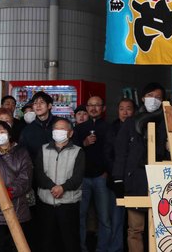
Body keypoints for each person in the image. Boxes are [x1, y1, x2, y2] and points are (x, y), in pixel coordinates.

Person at [112, 82, 168, 252]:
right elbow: (121, 152)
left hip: (160, 179)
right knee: (135, 229)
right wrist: (119, 178)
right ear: (143, 98)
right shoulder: (130, 123)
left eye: (158, 97)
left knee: (162, 228)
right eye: (150, 96)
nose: (154, 100)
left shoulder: (168, 121)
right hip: (135, 179)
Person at [0, 121, 33, 252]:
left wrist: (11, 191)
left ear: (9, 134)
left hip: (18, 206)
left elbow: (26, 176)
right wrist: (0, 193)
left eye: (2, 132)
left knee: (17, 245)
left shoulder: (22, 152)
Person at [35, 119, 85, 252]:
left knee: (70, 241)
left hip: (68, 203)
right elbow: (39, 173)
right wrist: (53, 186)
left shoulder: (78, 151)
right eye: (56, 129)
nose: (58, 132)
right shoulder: (43, 149)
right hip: (46, 202)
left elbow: (78, 177)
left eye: (62, 129)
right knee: (46, 241)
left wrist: (63, 187)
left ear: (70, 133)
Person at [73, 96, 111, 252]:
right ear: (86, 108)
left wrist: (107, 172)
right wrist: (84, 143)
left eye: (97, 105)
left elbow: (114, 153)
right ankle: (82, 248)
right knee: (80, 216)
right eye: (90, 105)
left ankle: (103, 249)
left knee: (104, 218)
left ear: (103, 108)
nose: (94, 108)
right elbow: (71, 152)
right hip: (82, 178)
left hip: (102, 177)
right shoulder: (79, 129)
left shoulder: (109, 127)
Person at [104, 97, 135, 252]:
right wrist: (117, 173)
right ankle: (116, 248)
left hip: (135, 180)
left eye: (128, 108)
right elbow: (108, 154)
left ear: (134, 111)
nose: (125, 112)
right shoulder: (113, 128)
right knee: (116, 218)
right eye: (121, 108)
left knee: (136, 220)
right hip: (116, 180)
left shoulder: (139, 126)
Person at [19, 91, 63, 162]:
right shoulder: (27, 130)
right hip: (37, 170)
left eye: (42, 102)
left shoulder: (61, 124)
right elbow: (23, 154)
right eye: (35, 103)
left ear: (49, 106)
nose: (38, 106)